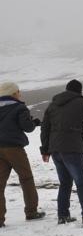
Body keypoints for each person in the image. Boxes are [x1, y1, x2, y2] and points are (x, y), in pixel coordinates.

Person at [40, 80, 83, 226]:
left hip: (55, 149)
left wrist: (45, 150)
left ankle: (63, 216)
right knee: (82, 182)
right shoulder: (81, 103)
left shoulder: (52, 105)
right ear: (79, 91)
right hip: (72, 149)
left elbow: (44, 129)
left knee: (65, 183)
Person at [0, 82, 46, 228]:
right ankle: (31, 212)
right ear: (13, 93)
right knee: (26, 179)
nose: (20, 93)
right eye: (18, 91)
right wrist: (34, 122)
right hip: (14, 148)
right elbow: (27, 128)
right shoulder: (19, 107)